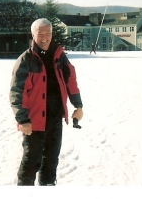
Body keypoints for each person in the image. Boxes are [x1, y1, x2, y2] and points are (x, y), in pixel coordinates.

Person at [10, 18, 84, 186]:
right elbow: (17, 92)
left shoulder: (60, 57)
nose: (44, 37)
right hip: (34, 121)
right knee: (31, 162)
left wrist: (78, 105)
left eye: (47, 33)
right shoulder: (26, 60)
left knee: (51, 162)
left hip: (55, 119)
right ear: (33, 35)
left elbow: (70, 80)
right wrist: (22, 119)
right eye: (40, 33)